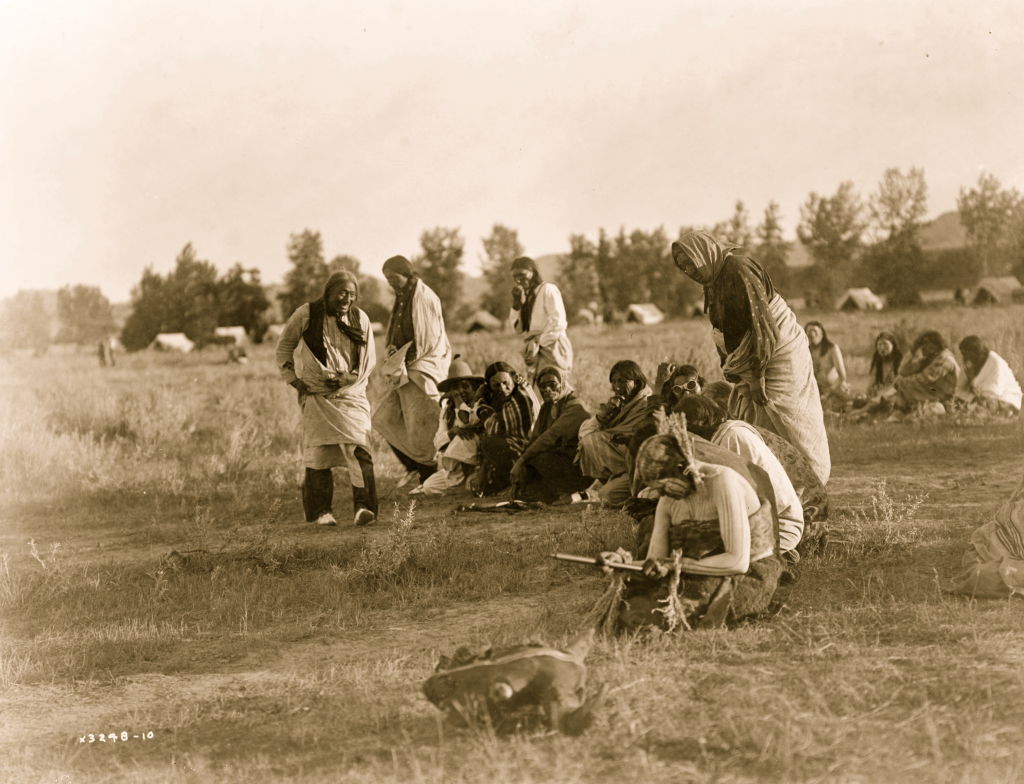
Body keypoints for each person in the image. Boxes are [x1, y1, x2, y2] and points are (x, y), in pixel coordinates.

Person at [672, 231, 830, 485]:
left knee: (790, 418)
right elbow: (724, 328)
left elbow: (762, 325)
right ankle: (780, 484)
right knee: (760, 423)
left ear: (705, 252)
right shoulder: (713, 281)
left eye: (691, 262)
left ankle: (812, 481)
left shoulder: (737, 268)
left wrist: (757, 377)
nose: (689, 270)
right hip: (754, 359)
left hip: (776, 353)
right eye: (683, 267)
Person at [600, 415, 783, 632]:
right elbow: (655, 561)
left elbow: (737, 562)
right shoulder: (667, 500)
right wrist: (621, 563)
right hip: (694, 570)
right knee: (634, 600)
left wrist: (676, 565)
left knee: (681, 604)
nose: (660, 494)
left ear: (684, 469)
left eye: (665, 486)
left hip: (744, 572)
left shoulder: (723, 482)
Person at [276, 271, 378, 526]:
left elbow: (368, 360)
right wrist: (294, 379)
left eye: (352, 294)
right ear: (329, 292)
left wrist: (348, 379)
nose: (347, 299)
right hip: (317, 397)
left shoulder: (360, 318)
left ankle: (364, 509)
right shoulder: (307, 314)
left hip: (351, 396)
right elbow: (284, 346)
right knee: (318, 454)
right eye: (342, 292)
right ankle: (322, 512)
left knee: (360, 448)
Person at [676, 395, 804, 556]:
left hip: (779, 525)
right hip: (769, 519)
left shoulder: (731, 437)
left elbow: (741, 498)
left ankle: (777, 556)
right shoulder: (728, 433)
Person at [372, 255, 453, 487]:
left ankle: (428, 476)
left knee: (422, 424)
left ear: (406, 274)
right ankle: (413, 467)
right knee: (386, 419)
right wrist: (392, 354)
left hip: (422, 367)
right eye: (386, 278)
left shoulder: (423, 296)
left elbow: (426, 339)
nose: (390, 282)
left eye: (393, 277)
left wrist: (403, 360)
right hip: (405, 368)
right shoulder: (401, 297)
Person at [509, 366, 592, 503]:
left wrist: (521, 461)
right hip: (557, 461)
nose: (547, 389)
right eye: (542, 386)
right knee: (526, 490)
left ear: (562, 383)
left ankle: (569, 493)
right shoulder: (547, 407)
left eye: (552, 384)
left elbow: (550, 437)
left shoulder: (575, 407)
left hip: (578, 468)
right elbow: (535, 438)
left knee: (540, 458)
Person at [577, 360, 652, 505]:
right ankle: (615, 478)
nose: (617, 386)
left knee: (607, 496)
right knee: (605, 495)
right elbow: (584, 433)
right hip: (625, 466)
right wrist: (601, 417)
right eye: (614, 381)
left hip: (639, 465)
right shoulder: (620, 404)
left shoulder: (645, 404)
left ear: (636, 382)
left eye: (623, 381)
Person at [411, 356, 485, 496]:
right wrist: (452, 432)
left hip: (476, 462)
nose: (460, 391)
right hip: (455, 468)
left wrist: (458, 402)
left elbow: (468, 422)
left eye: (465, 386)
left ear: (473, 387)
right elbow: (437, 441)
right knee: (428, 486)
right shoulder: (447, 411)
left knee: (463, 439)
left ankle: (468, 482)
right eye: (456, 388)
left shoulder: (479, 405)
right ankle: (459, 485)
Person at [471, 362, 538, 496]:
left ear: (513, 380)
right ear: (489, 387)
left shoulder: (522, 397)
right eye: (496, 385)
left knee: (490, 442)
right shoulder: (498, 398)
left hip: (527, 449)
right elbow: (474, 421)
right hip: (513, 445)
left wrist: (481, 406)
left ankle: (513, 481)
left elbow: (495, 427)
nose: (502, 388)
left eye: (505, 382)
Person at [510, 256, 573, 382]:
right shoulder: (525, 296)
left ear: (532, 272)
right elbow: (518, 330)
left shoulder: (548, 290)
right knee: (537, 390)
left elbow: (558, 322)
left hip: (552, 345)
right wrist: (517, 305)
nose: (518, 280)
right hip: (534, 350)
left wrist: (540, 342)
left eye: (522, 275)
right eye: (515, 277)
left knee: (553, 385)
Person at [890, 330, 963, 413]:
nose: (923, 347)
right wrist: (912, 351)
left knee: (905, 384)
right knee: (902, 382)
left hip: (946, 394)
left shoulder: (945, 358)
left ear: (935, 344)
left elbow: (926, 378)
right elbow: (902, 371)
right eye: (922, 344)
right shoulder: (930, 357)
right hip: (934, 389)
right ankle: (900, 410)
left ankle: (901, 410)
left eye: (926, 343)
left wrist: (903, 383)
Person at [958, 336, 1022, 414]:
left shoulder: (995, 363)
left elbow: (992, 392)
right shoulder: (968, 363)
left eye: (966, 353)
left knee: (986, 405)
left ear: (975, 352)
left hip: (1004, 398)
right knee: (954, 402)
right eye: (962, 353)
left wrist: (972, 379)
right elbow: (959, 388)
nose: (964, 357)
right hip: (977, 398)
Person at [805, 321, 848, 409]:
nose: (812, 334)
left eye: (815, 331)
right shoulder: (804, 350)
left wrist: (828, 392)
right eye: (809, 332)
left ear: (822, 334)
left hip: (834, 389)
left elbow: (842, 377)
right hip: (815, 391)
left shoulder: (832, 349)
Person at [867, 332, 903, 397]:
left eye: (885, 344)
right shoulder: (877, 362)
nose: (882, 347)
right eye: (879, 345)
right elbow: (870, 384)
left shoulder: (901, 361)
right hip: (882, 395)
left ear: (893, 345)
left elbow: (901, 384)